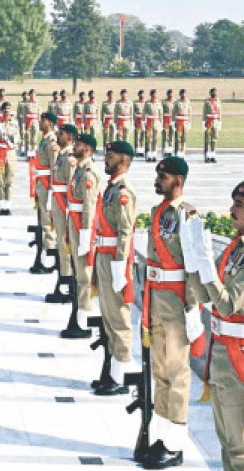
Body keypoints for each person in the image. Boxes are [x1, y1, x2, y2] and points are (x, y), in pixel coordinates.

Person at [187, 180, 244, 471]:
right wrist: (194, 260)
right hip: (223, 351)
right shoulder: (237, 248)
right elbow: (207, 294)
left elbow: (227, 304)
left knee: (243, 448)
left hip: (242, 357)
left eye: (239, 205)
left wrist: (206, 265)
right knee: (227, 441)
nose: (231, 210)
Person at [140, 156, 204, 469]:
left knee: (178, 374)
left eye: (162, 176)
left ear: (177, 181)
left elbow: (194, 266)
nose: (157, 180)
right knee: (161, 372)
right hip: (157, 299)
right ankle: (161, 436)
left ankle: (175, 445)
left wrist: (193, 309)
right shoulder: (158, 212)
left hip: (178, 303)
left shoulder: (188, 215)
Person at [93, 141, 137, 396]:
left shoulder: (123, 191)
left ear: (122, 160)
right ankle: (111, 371)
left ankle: (120, 377)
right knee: (108, 318)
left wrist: (120, 266)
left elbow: (125, 232)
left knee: (119, 319)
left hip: (114, 261)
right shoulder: (112, 187)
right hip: (104, 257)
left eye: (110, 156)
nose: (105, 159)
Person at [61, 133, 100, 339]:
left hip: (81, 226)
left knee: (84, 275)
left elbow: (89, 207)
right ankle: (78, 315)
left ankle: (83, 320)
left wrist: (85, 234)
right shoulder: (80, 169)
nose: (74, 147)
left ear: (86, 150)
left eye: (78, 145)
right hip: (74, 222)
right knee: (78, 272)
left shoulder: (88, 173)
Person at [47, 123, 77, 303]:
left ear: (70, 138)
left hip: (64, 204)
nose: (58, 136)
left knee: (65, 243)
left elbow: (71, 186)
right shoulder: (62, 155)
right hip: (57, 202)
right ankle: (63, 278)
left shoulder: (70, 159)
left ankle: (67, 282)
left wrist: (67, 210)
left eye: (62, 134)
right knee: (60, 241)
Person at [31, 112, 59, 274]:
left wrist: (51, 192)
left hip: (47, 184)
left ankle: (48, 258)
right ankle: (43, 256)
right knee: (42, 221)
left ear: (50, 123)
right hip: (42, 183)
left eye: (43, 121)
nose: (40, 123)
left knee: (47, 222)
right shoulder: (45, 140)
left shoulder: (52, 141)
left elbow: (54, 167)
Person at [0, 102, 20, 215]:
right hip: (0, 155)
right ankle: (1, 206)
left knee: (9, 180)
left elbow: (18, 139)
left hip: (11, 155)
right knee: (0, 181)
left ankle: (8, 206)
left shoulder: (14, 124)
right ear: (2, 110)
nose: (7, 111)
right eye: (5, 109)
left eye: (9, 109)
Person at [143, 89, 163, 162]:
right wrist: (143, 122)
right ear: (150, 95)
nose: (154, 97)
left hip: (156, 123)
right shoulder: (147, 103)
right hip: (149, 122)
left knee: (155, 139)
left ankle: (154, 154)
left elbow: (161, 114)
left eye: (155, 95)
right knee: (148, 139)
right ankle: (148, 154)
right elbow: (144, 113)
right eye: (153, 95)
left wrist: (161, 123)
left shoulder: (159, 103)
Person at [203, 87, 221, 163]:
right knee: (207, 139)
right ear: (210, 93)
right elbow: (204, 112)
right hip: (209, 121)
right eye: (213, 93)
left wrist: (219, 122)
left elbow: (219, 112)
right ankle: (207, 156)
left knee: (214, 139)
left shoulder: (218, 102)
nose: (214, 94)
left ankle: (213, 155)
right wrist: (203, 122)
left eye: (215, 93)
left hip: (215, 121)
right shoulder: (207, 102)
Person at [173, 89, 191, 157]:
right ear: (180, 94)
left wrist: (189, 122)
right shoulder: (177, 102)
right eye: (182, 93)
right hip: (179, 122)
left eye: (184, 93)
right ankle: (177, 152)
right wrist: (173, 122)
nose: (183, 95)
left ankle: (182, 151)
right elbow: (174, 112)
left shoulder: (188, 102)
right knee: (178, 138)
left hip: (185, 122)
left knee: (184, 137)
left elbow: (189, 112)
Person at [25, 89, 41, 156]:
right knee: (28, 136)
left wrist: (40, 121)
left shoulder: (37, 103)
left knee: (35, 135)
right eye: (31, 95)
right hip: (28, 121)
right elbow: (24, 113)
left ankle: (34, 149)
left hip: (35, 121)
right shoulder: (27, 103)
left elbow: (39, 112)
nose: (32, 97)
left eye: (33, 95)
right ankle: (28, 150)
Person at [161, 89, 175, 157]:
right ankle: (165, 150)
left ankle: (170, 150)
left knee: (171, 136)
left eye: (171, 94)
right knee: (165, 136)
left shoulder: (174, 102)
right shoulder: (164, 102)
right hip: (166, 120)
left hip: (172, 120)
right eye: (169, 94)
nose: (170, 96)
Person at [133, 90, 146, 155]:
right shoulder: (135, 103)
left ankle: (142, 150)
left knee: (143, 135)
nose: (142, 96)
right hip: (138, 120)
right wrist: (133, 121)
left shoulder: (146, 103)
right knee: (137, 135)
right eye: (140, 95)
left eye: (143, 95)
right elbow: (133, 112)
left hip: (144, 120)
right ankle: (137, 150)